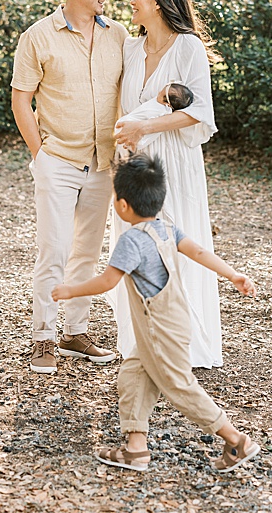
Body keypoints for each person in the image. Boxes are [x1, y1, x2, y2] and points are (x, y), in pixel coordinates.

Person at [52, 156, 260, 473]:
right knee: (134, 373)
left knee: (179, 385)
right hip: (175, 320)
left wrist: (70, 290)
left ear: (121, 205)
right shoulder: (165, 230)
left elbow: (108, 281)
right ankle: (135, 448)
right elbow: (200, 252)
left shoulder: (130, 241)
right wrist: (233, 275)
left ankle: (235, 440)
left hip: (158, 329)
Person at [11, 0, 128, 375]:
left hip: (103, 163)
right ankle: (43, 336)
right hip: (57, 159)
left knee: (86, 252)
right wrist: (38, 154)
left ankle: (75, 332)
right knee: (54, 250)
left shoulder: (117, 34)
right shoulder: (38, 36)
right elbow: (21, 99)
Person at [112, 0, 223, 369]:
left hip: (173, 161)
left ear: (158, 2)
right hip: (133, 163)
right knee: (137, 247)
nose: (131, 0)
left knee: (172, 245)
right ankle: (144, 342)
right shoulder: (130, 47)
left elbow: (200, 111)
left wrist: (146, 126)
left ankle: (180, 343)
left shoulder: (188, 46)